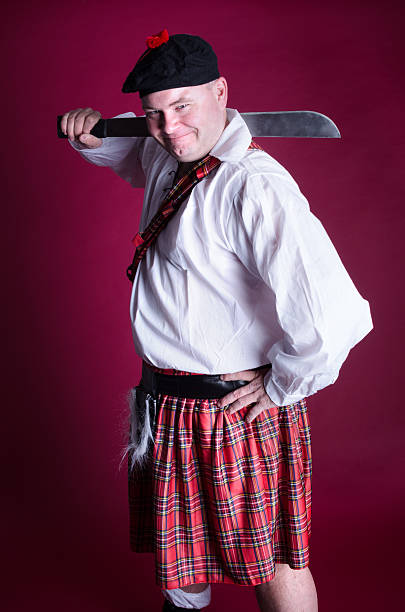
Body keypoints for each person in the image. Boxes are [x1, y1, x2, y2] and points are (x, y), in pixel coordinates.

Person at [60, 30, 372, 612]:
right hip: (168, 408)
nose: (170, 127)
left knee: (274, 563)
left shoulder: (254, 185)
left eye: (183, 106)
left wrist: (282, 386)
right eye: (153, 114)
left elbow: (334, 317)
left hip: (233, 413)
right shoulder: (165, 151)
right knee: (179, 567)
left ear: (221, 92)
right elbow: (132, 154)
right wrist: (89, 132)